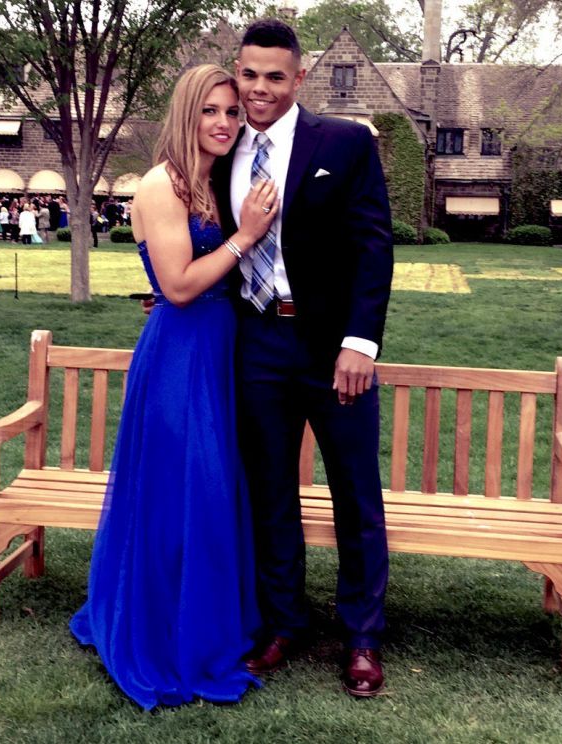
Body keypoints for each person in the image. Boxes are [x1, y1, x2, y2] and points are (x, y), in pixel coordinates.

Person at [70, 63, 279, 711]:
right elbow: (181, 286)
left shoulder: (215, 180)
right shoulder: (161, 185)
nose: (224, 122)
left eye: (231, 112)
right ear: (186, 115)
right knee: (184, 493)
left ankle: (210, 620)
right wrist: (245, 236)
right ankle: (166, 630)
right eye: (209, 111)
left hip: (220, 350)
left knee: (212, 494)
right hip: (181, 358)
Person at [212, 20, 394, 698]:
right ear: (237, 71)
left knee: (355, 491)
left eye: (274, 76)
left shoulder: (343, 143)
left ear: (299, 77)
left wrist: (360, 342)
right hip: (256, 342)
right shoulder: (221, 148)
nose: (258, 89)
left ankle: (362, 637)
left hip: (332, 348)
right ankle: (283, 623)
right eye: (248, 75)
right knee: (269, 490)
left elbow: (374, 247)